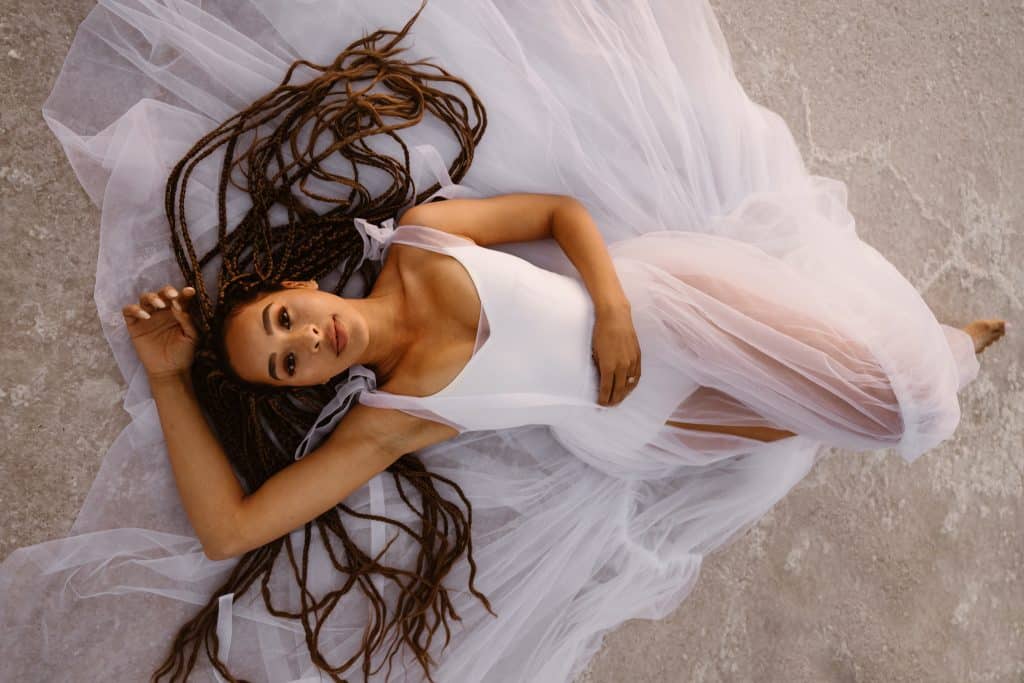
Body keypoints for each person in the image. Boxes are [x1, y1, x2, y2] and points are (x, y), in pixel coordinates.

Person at [0, 1, 1007, 681]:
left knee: (896, 401)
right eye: (292, 362)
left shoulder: (423, 242)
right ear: (315, 382)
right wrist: (174, 377)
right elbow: (229, 530)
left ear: (297, 287)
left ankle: (939, 349)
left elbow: (561, 215)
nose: (304, 337)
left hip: (659, 305)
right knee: (816, 426)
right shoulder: (390, 421)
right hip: (641, 425)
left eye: (281, 319)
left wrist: (610, 307)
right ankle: (918, 347)